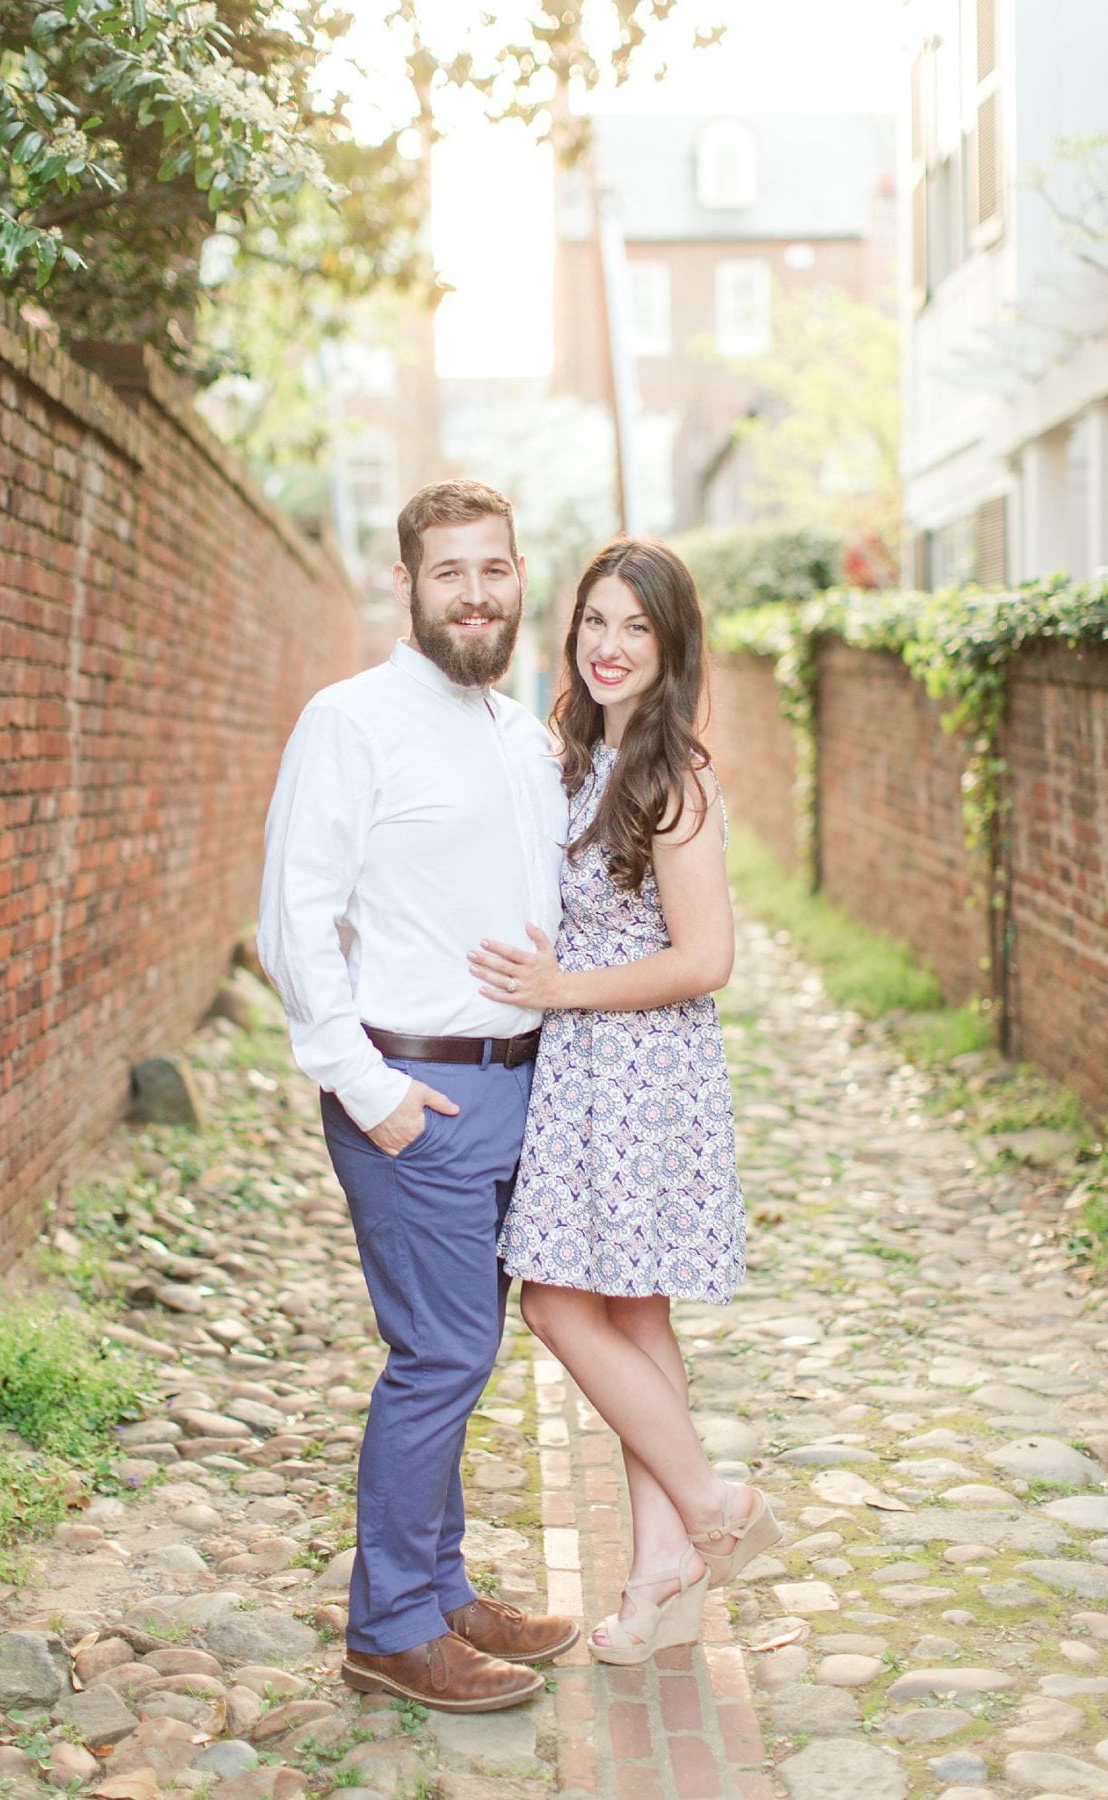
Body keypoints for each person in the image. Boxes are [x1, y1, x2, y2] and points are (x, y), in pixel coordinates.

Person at [257, 480, 578, 1713]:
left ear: (517, 577)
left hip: (517, 1085)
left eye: (494, 569)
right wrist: (364, 1086)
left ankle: (441, 1590)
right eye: (451, 572)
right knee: (442, 1352)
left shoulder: (521, 736)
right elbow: (294, 920)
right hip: (416, 1092)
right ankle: (390, 1624)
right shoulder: (350, 722)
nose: (477, 593)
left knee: (463, 1349)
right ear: (407, 585)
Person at [468, 537, 780, 1666]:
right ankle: (662, 1581)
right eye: (596, 622)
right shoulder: (567, 759)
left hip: (645, 1070)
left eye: (635, 628)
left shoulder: (673, 775)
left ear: (671, 646)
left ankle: (710, 1506)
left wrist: (562, 989)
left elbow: (706, 957)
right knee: (636, 1317)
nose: (610, 646)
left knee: (556, 1304)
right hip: (583, 1069)